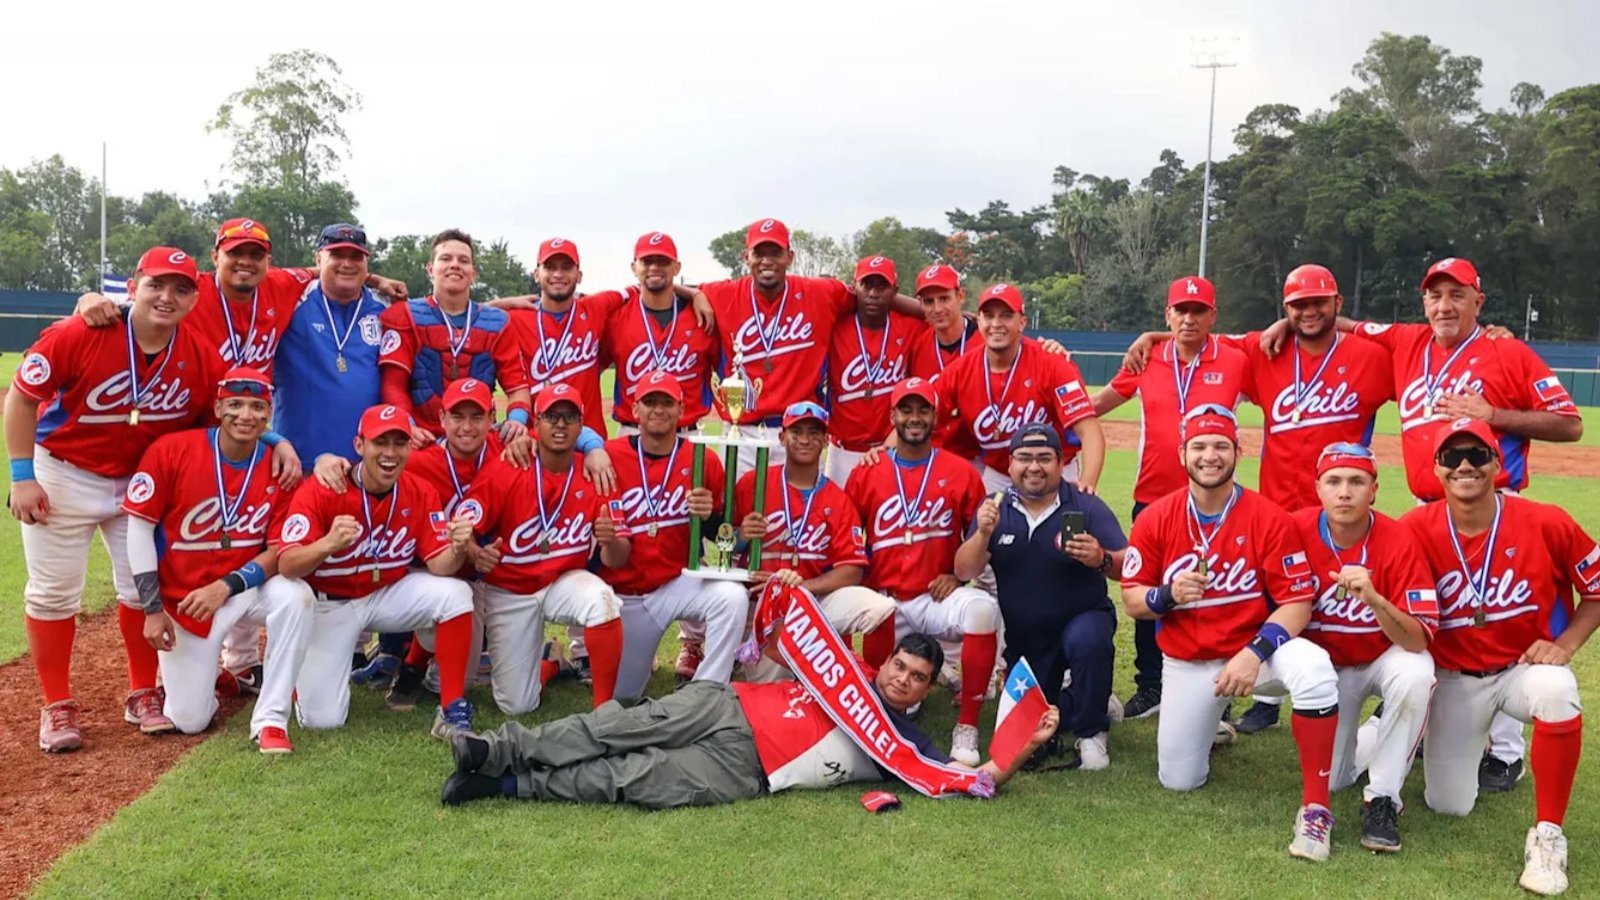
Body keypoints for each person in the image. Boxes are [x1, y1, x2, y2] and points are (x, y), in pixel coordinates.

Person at [1260, 256, 1583, 787]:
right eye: (1435, 295)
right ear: (1423, 303)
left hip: (1490, 506)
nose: (1444, 305)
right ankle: (1420, 721)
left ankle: (1503, 749)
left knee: (1498, 615)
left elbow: (1569, 424)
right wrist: (1283, 321)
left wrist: (1494, 415)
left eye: (1457, 295)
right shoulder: (1407, 341)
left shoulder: (1507, 350)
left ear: (1479, 301)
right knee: (1437, 620)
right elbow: (1339, 319)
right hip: (1424, 512)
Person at [1122, 265, 1396, 734]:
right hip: (1278, 506)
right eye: (1297, 306)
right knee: (1272, 600)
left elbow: (1422, 353)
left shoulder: (1371, 357)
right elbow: (1196, 332)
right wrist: (1151, 334)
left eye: (1318, 303)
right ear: (1284, 310)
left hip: (1339, 507)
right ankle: (1266, 701)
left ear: (1338, 304)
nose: (1308, 312)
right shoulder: (1263, 350)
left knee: (1346, 603)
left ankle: (1365, 694)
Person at [8, 247, 227, 752]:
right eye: (157, 284)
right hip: (64, 471)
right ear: (134, 287)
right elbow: (21, 397)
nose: (166, 297)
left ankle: (142, 691)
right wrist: (22, 475)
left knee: (140, 589)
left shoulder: (200, 354)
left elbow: (208, 428)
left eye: (181, 288)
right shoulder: (82, 332)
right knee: (53, 592)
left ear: (195, 298)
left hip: (140, 483)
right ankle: (57, 703)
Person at [438, 633, 1059, 808]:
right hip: (728, 703)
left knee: (629, 778)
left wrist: (1024, 745)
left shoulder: (908, 744)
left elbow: (972, 779)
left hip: (747, 767)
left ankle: (504, 785)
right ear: (886, 662)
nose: (901, 678)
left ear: (929, 688)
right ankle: (491, 750)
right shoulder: (839, 668)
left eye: (917, 677)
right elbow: (779, 627)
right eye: (897, 666)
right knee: (612, 727)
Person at [1119, 405, 1341, 862]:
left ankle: (1316, 807)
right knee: (1178, 780)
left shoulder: (1267, 516)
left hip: (1256, 655)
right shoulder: (1156, 517)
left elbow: (1298, 601)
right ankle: (1209, 726)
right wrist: (1168, 595)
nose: (1210, 456)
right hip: (1190, 661)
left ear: (1238, 452)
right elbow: (1133, 601)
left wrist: (1256, 651)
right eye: (1199, 446)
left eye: (1221, 446)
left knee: (1315, 668)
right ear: (1182, 453)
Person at [1400, 418, 1597, 896]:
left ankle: (1548, 834)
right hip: (1454, 677)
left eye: (1477, 455)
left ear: (1496, 463)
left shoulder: (1545, 520)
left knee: (1557, 690)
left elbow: (1596, 588)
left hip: (1520, 670)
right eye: (1452, 457)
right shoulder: (1414, 527)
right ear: (1437, 469)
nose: (1465, 465)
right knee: (1448, 804)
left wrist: (1565, 644)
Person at [123, 367, 312, 753]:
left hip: (242, 587)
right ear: (217, 407)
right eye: (235, 404)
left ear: (268, 414)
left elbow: (280, 550)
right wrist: (153, 608)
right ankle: (210, 675)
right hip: (186, 598)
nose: (246, 415)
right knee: (190, 721)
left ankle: (271, 719)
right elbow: (139, 529)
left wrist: (226, 585)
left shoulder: (281, 468)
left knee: (298, 596)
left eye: (257, 406)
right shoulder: (172, 450)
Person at [1093, 275, 1249, 720]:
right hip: (1153, 495)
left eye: (1199, 311)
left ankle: (1216, 693)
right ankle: (1151, 684)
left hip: (1213, 502)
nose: (1188, 318)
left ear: (1213, 317)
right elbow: (1104, 400)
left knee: (1214, 592)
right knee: (1147, 589)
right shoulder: (1148, 357)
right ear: (1167, 315)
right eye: (1180, 310)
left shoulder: (1236, 361)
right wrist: (1061, 416)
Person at [275, 404, 479, 739]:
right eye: (379, 442)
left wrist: (458, 548)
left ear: (410, 448)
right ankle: (303, 677)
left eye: (399, 443)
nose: (389, 453)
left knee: (456, 593)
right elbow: (287, 564)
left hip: (385, 594)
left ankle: (452, 706)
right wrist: (326, 544)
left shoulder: (419, 490)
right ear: (359, 445)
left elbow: (440, 566)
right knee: (322, 720)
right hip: (331, 604)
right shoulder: (324, 487)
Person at [1291, 442, 1438, 852]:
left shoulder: (1399, 538)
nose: (1344, 492)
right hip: (1325, 671)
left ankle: (1383, 797)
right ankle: (1377, 728)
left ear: (1374, 489)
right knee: (1336, 779)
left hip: (1380, 658)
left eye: (1357, 481)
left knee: (1416, 671)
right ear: (1317, 487)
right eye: (1334, 481)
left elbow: (1417, 639)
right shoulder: (1295, 528)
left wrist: (1374, 599)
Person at [688, 218, 926, 470]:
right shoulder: (721, 294)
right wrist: (694, 294)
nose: (767, 260)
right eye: (759, 252)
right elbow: (667, 289)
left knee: (800, 508)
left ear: (789, 256)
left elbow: (871, 295)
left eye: (775, 252)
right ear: (746, 256)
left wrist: (932, 313)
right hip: (741, 431)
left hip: (799, 432)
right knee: (739, 509)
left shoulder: (821, 293)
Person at [954, 422, 1125, 770]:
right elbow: (964, 571)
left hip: (1083, 616)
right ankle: (1089, 699)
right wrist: (982, 534)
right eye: (1025, 458)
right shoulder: (995, 506)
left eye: (1045, 458)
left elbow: (1129, 564)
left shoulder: (1084, 504)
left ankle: (1092, 732)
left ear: (1061, 463)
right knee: (1032, 728)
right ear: (1011, 463)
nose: (1034, 467)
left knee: (1088, 641)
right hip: (1028, 639)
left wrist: (1100, 558)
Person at [844, 378, 993, 765]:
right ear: (892, 416)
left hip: (934, 595)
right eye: (906, 410)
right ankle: (880, 716)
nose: (915, 418)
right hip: (885, 599)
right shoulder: (867, 471)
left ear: (934, 416)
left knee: (982, 610)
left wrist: (959, 578)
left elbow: (977, 542)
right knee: (896, 702)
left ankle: (968, 724)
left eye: (923, 410)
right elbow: (849, 540)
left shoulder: (960, 472)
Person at [461, 384, 628, 712]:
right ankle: (551, 662)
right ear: (535, 424)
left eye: (569, 417)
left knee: (602, 599)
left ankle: (604, 710)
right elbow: (465, 524)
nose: (561, 425)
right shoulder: (508, 466)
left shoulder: (594, 472)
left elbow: (618, 558)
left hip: (563, 581)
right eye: (552, 416)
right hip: (509, 590)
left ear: (582, 426)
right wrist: (475, 553)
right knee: (517, 706)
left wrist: (610, 540)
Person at [600, 371, 748, 700]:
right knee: (623, 697)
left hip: (677, 582)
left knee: (731, 596)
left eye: (667, 402)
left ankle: (707, 693)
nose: (658, 410)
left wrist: (710, 515)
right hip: (628, 595)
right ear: (634, 409)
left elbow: (720, 536)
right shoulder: (608, 456)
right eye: (650, 402)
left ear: (682, 411)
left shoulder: (702, 458)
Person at [732, 402, 891, 673]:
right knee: (774, 690)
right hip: (762, 606)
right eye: (797, 432)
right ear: (782, 437)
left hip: (814, 603)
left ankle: (878, 682)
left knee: (881, 608)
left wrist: (804, 586)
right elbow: (725, 545)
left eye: (814, 433)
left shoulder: (838, 500)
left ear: (826, 440)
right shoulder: (753, 483)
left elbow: (852, 571)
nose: (805, 439)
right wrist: (742, 535)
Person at [930, 283, 1102, 494]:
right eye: (989, 315)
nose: (996, 324)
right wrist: (886, 450)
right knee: (984, 524)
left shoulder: (1052, 362)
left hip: (1054, 471)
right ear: (979, 320)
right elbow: (922, 414)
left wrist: (1087, 485)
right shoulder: (961, 370)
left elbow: (1089, 430)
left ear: (1022, 322)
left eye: (1006, 316)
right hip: (1000, 474)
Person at [377, 229, 531, 443]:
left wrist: (516, 421)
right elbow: (393, 384)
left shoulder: (497, 323)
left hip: (478, 441)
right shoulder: (405, 315)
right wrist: (407, 426)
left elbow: (517, 388)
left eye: (463, 260)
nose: (455, 265)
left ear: (473, 273)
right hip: (424, 440)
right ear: (430, 269)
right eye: (446, 258)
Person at [274, 224, 391, 466]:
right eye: (336, 255)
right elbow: (259, 277)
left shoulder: (385, 311)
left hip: (366, 470)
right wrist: (375, 279)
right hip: (299, 466)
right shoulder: (291, 301)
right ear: (318, 259)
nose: (347, 264)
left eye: (356, 257)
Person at [602, 232, 719, 435]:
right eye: (647, 261)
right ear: (634, 267)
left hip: (687, 434)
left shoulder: (702, 315)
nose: (654, 267)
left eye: (663, 261)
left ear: (677, 267)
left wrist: (696, 294)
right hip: (632, 433)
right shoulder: (615, 318)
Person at [824, 256, 926, 484]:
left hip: (890, 448)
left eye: (882, 286)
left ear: (895, 291)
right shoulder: (835, 325)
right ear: (854, 287)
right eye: (866, 285)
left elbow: (937, 316)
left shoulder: (911, 327)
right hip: (842, 449)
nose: (873, 293)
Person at [906, 263, 982, 458]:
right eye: (929, 301)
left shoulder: (986, 338)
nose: (937, 308)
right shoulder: (919, 345)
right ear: (920, 304)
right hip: (936, 453)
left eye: (944, 299)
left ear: (961, 296)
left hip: (983, 455)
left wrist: (1051, 345)